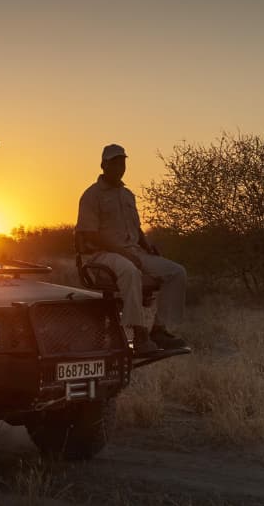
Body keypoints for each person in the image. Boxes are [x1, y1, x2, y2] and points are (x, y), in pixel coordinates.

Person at [76, 144, 188, 354]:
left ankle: (159, 329)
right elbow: (90, 234)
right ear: (103, 165)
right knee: (130, 271)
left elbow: (136, 227)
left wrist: (147, 246)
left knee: (176, 272)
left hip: (133, 251)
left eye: (122, 162)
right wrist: (123, 252)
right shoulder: (91, 195)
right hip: (101, 254)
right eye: (114, 162)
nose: (119, 166)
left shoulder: (128, 195)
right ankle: (139, 334)